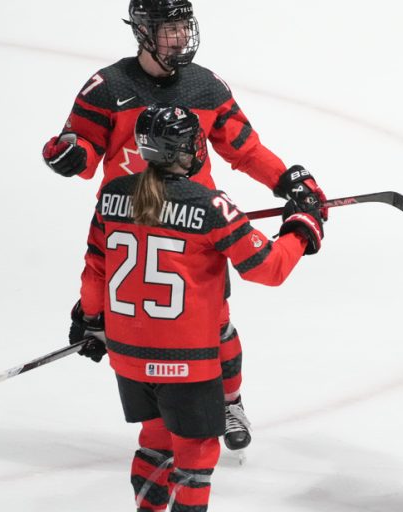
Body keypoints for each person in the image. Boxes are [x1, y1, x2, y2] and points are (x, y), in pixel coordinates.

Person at [41, 0, 327, 451]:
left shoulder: (204, 86)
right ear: (142, 30)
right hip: (127, 226)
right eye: (168, 28)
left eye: (183, 26)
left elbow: (245, 148)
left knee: (216, 324)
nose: (179, 37)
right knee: (140, 328)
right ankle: (161, 426)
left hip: (195, 229)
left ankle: (228, 403)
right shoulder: (107, 88)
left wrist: (286, 181)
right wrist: (68, 153)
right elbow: (82, 152)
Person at [70, 104, 324, 512]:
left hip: (129, 359)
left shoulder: (112, 196)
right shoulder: (209, 204)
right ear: (187, 149)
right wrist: (302, 229)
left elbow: (96, 269)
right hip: (185, 362)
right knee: (196, 453)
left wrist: (88, 320)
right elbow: (269, 268)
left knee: (155, 442)